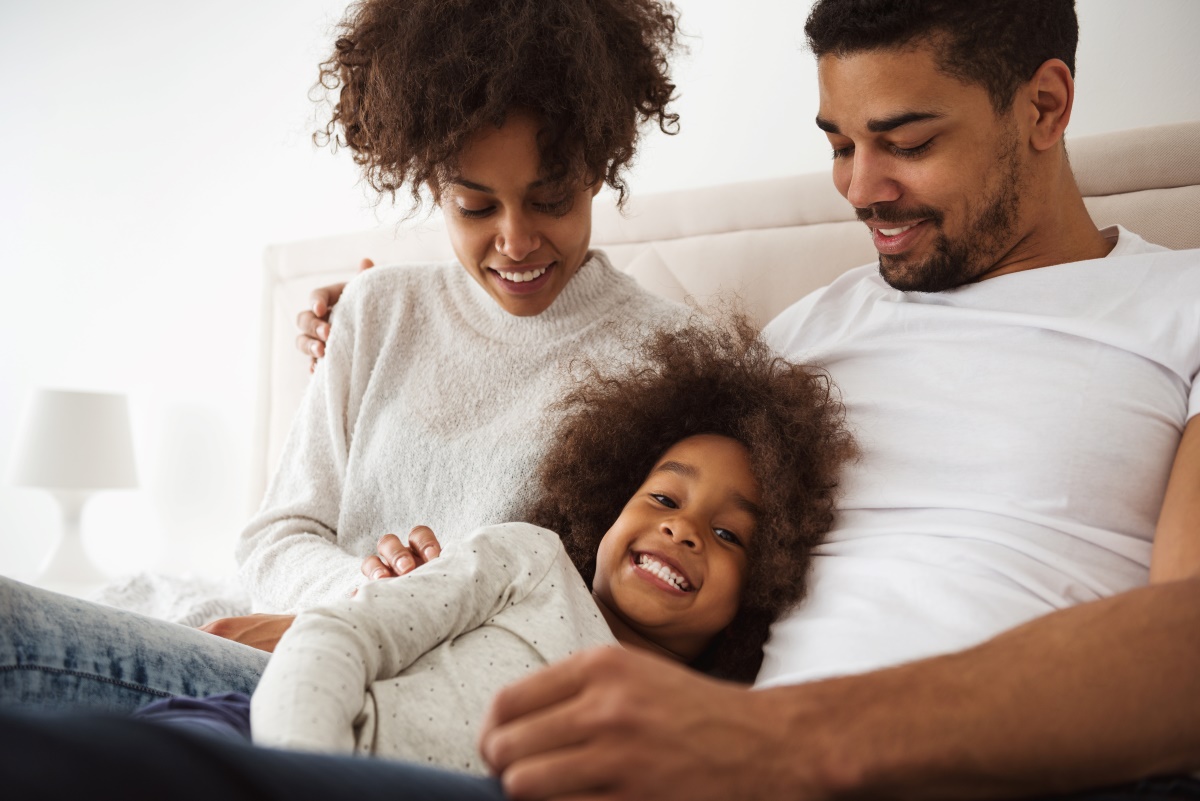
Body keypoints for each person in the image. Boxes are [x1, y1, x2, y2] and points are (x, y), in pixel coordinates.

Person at [0, 0, 689, 712]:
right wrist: (366, 592)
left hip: (413, 701)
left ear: (599, 169)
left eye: (549, 199)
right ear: (430, 185)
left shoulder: (667, 357)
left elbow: (607, 615)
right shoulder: (376, 310)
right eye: (475, 207)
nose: (515, 240)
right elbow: (274, 539)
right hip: (278, 644)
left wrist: (400, 616)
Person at [131, 318, 854, 775]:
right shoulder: (529, 561)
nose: (683, 527)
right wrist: (308, 775)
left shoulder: (695, 728)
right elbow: (339, 635)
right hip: (270, 743)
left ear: (759, 587)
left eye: (729, 533)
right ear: (607, 505)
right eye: (663, 496)